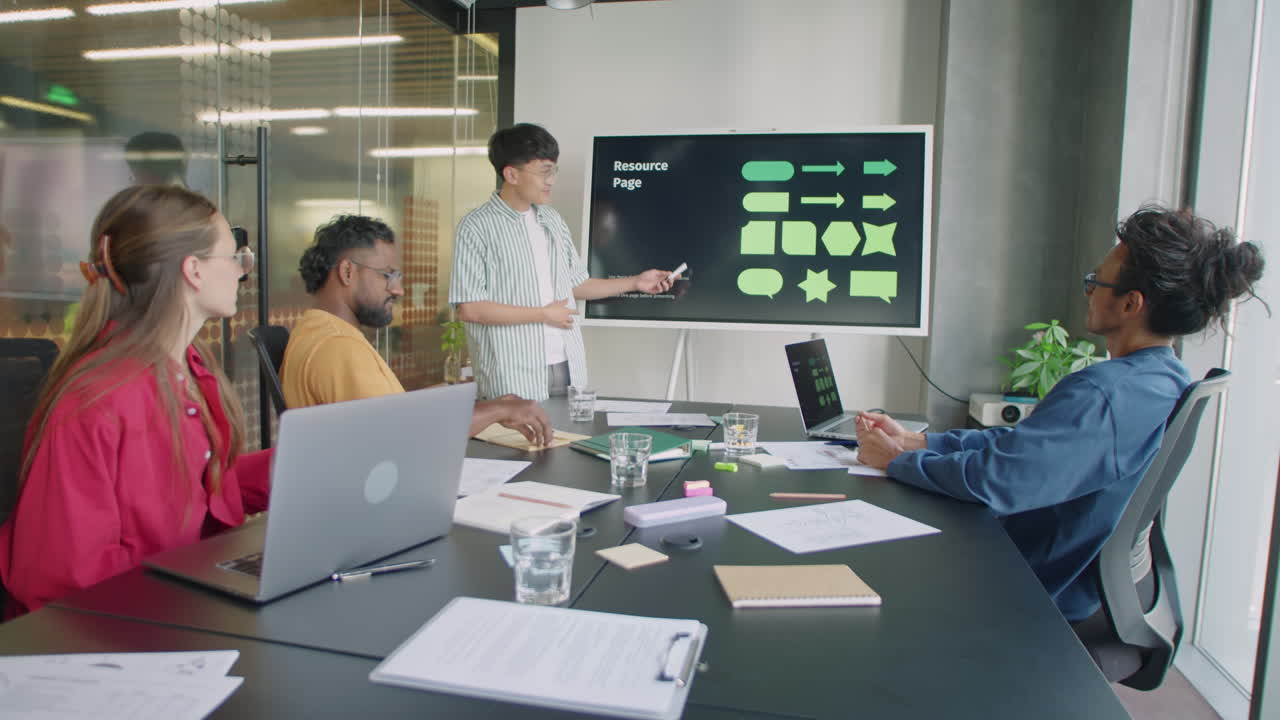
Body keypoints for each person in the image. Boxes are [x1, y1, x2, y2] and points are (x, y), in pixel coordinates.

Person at [855, 206, 1265, 623]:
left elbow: (995, 480)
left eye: (1095, 283)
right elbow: (1022, 447)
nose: (1088, 291)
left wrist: (895, 461)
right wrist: (918, 442)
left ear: (1131, 305)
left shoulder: (1104, 395)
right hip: (1073, 579)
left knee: (871, 567)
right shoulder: (1163, 377)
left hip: (1029, 586)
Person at [0, 185, 268, 616]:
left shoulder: (193, 367)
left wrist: (302, 463)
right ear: (194, 270)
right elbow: (58, 579)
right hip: (118, 637)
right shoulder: (98, 400)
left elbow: (209, 485)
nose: (242, 271)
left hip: (186, 607)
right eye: (236, 257)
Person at [282, 215, 554, 445]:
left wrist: (481, 406)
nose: (398, 289)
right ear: (348, 272)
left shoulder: (313, 328)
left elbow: (391, 412)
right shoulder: (338, 345)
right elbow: (404, 434)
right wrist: (497, 410)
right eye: (388, 275)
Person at [450, 123, 675, 401]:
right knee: (517, 445)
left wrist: (636, 282)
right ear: (511, 174)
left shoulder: (551, 220)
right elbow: (471, 309)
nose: (552, 180)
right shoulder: (476, 227)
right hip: (512, 374)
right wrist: (543, 314)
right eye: (544, 171)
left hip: (567, 367)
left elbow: (577, 284)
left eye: (554, 170)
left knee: (570, 441)